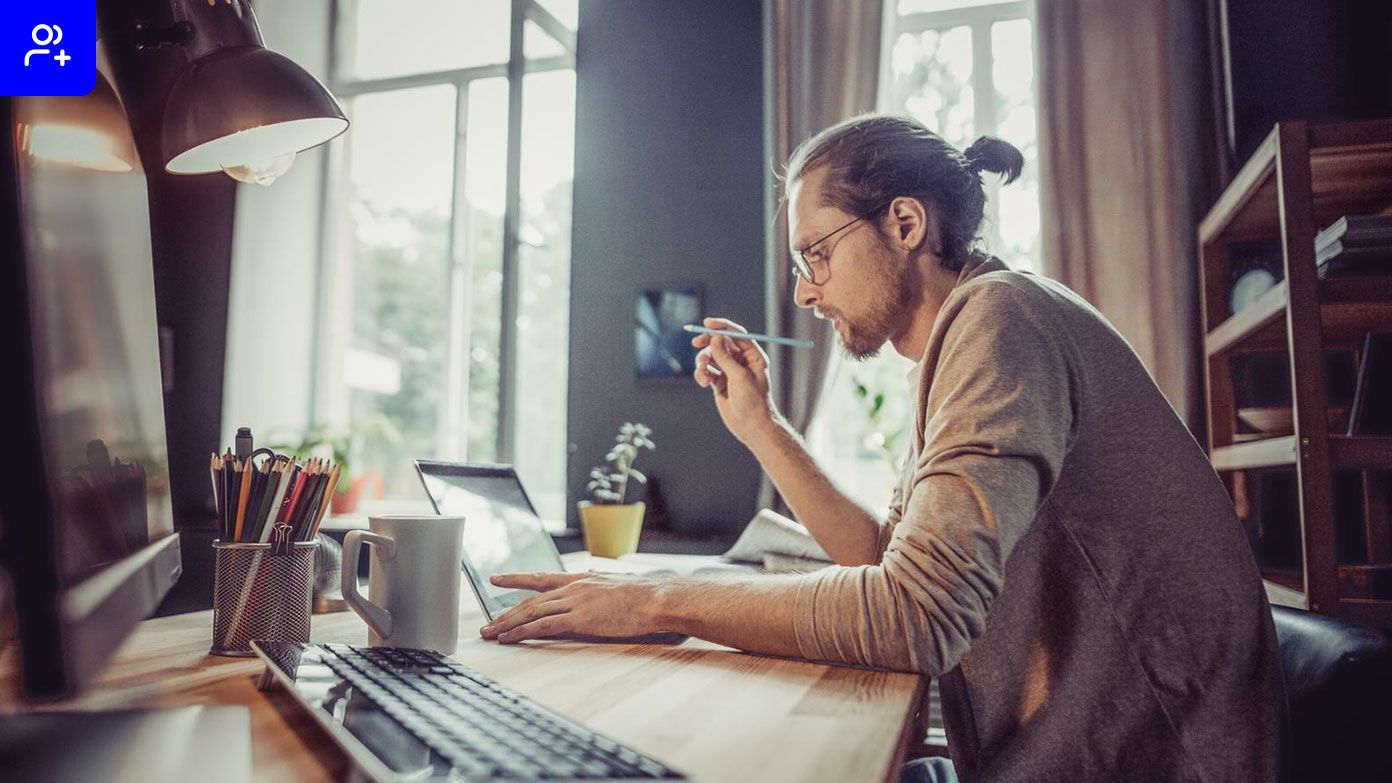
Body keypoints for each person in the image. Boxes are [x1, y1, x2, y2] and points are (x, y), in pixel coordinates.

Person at [481, 114, 1282, 782]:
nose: (803, 290)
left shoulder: (1001, 321)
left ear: (905, 223)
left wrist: (653, 600)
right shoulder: (969, 336)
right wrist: (761, 424)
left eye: (815, 255)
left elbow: (916, 614)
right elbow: (888, 558)